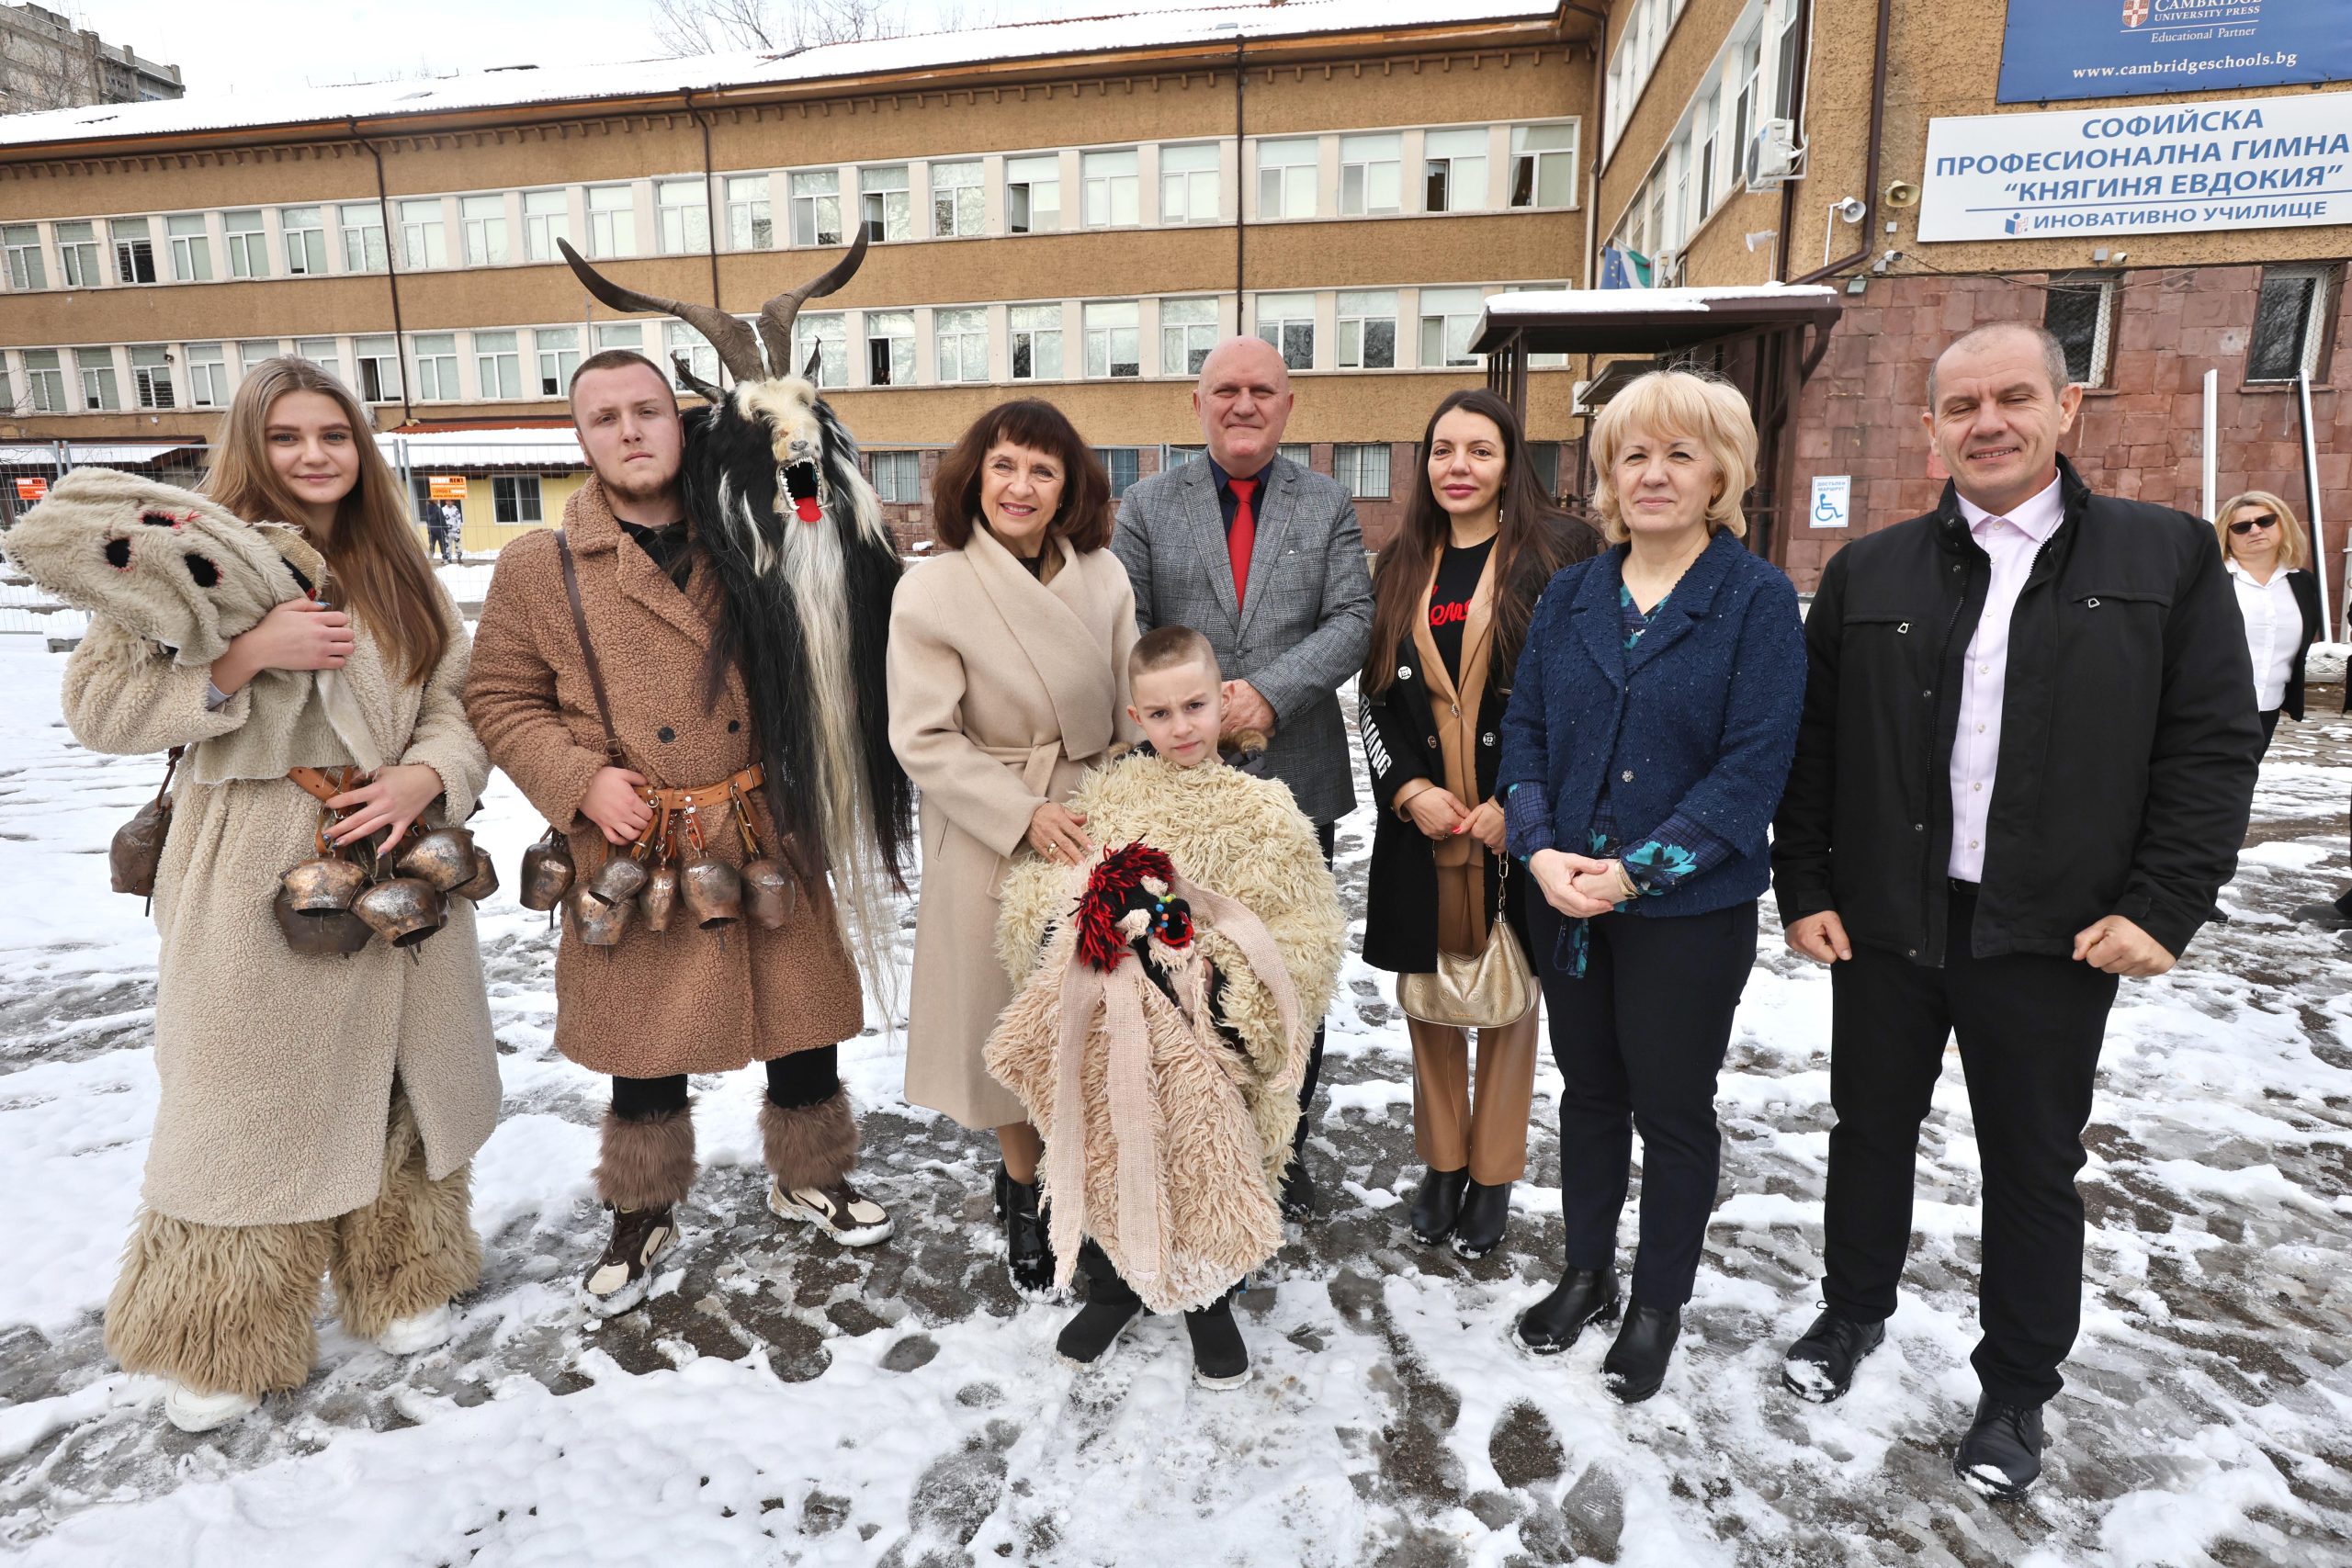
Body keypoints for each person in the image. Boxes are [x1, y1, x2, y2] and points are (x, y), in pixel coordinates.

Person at [1771, 321, 2263, 1498]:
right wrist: (1806, 885)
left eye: (2011, 398)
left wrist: (2165, 905)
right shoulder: (1870, 573)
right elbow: (1814, 748)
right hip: (1889, 919)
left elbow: (2210, 744)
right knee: (1867, 1132)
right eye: (1961, 406)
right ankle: (1852, 1311)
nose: (1986, 423)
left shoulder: (2163, 556)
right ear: (1930, 428)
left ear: (2065, 407)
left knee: (2032, 1163)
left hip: (2052, 930)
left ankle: (2015, 1389)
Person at [48, 356, 500, 1432]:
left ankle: (405, 1275)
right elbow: (100, 709)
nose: (314, 456)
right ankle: (221, 1330)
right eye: (288, 436)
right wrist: (242, 657)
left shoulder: (398, 562)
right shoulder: (188, 558)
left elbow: (458, 696)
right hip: (253, 863)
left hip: (395, 854)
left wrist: (427, 777)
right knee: (244, 1106)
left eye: (333, 435)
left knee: (404, 1079)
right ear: (253, 446)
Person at [465, 348, 893, 1316]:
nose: (629, 431)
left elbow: (836, 553)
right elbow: (498, 695)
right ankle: (642, 1205)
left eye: (647, 411)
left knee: (803, 1017)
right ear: (581, 439)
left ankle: (811, 1173)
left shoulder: (750, 527)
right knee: (644, 1039)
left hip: (761, 818)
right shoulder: (540, 566)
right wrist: (578, 781)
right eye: (604, 417)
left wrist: (793, 434)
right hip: (637, 838)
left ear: (684, 421)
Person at [1496, 368, 1805, 1404]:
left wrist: (1636, 873)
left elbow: (1752, 770)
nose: (1654, 474)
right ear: (1608, 475)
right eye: (1634, 455)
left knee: (1672, 1111)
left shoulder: (1754, 598)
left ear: (1721, 473)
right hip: (1565, 900)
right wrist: (1539, 852)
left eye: (1680, 453)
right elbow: (1525, 734)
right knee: (1589, 1095)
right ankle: (1586, 1271)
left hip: (1684, 913)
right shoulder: (1573, 593)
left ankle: (1657, 1303)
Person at [984, 626, 1345, 1386]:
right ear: (1135, 716)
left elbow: (1307, 930)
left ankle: (1209, 1300)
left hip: (1207, 1038)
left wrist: (1221, 988)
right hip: (1111, 1024)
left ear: (1224, 700)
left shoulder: (1266, 812)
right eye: (1160, 713)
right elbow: (1041, 887)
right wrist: (1075, 922)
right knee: (1109, 1146)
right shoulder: (1110, 797)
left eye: (1195, 706)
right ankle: (1114, 1288)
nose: (1180, 726)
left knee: (1205, 1155)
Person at [1111, 335, 1374, 1217]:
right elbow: (1129, 623)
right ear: (1198, 404)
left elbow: (1354, 618)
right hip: (1179, 788)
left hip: (1297, 776)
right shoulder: (1148, 504)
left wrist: (1267, 694)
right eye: (1226, 389)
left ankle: (1283, 1147)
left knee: (1290, 967)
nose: (1244, 404)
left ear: (1288, 405)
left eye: (1263, 389)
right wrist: (1190, 707)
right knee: (1185, 964)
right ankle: (1197, 1143)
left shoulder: (1327, 502)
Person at [888, 398, 1141, 1293]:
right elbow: (923, 736)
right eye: (1004, 465)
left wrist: (1127, 806)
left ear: (1069, 488)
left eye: (1042, 469)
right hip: (989, 826)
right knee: (1004, 1022)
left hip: (1091, 819)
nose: (1020, 486)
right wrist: (1021, 811)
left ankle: (1081, 1181)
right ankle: (1023, 1188)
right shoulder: (932, 588)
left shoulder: (1105, 577)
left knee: (1088, 1021)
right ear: (975, 476)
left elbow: (1129, 709)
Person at [1359, 389, 1598, 1258]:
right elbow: (1373, 695)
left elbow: (1580, 696)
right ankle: (1442, 1163)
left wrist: (1519, 803)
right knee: (1428, 995)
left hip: (1513, 818)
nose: (1458, 466)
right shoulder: (1400, 561)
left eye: (1480, 450)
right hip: (1425, 823)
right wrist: (1407, 789)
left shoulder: (1561, 553)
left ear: (1510, 462)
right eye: (1443, 450)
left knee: (1507, 996)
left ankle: (1492, 1173)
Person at [2215, 490, 2323, 752]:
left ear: (2283, 523)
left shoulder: (2303, 583)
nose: (2255, 530)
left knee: (2245, 777)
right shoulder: (2211, 580)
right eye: (2242, 527)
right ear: (2227, 535)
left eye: (2265, 521)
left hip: (2267, 710)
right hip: (2209, 708)